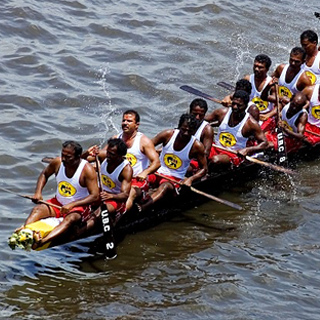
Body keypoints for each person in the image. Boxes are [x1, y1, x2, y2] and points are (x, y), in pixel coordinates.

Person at [22, 141, 100, 249]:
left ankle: (43, 241)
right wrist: (38, 193)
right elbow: (45, 174)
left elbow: (94, 196)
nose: (63, 159)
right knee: (37, 209)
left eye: (68, 157)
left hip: (79, 208)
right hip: (58, 203)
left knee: (71, 219)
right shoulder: (57, 162)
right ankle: (25, 233)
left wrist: (72, 205)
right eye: (62, 155)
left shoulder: (87, 170)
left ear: (78, 157)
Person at [139, 114, 207, 211]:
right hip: (157, 172)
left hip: (174, 179)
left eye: (189, 131)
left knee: (165, 187)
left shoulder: (197, 146)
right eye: (183, 129)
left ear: (194, 131)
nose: (186, 133)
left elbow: (204, 169)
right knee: (141, 178)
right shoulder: (167, 135)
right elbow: (146, 147)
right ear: (179, 127)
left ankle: (142, 208)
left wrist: (190, 179)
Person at [113, 110, 160, 211]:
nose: (125, 123)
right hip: (120, 178)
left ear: (136, 125)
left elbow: (156, 162)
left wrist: (145, 172)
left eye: (129, 121)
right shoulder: (116, 138)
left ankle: (119, 215)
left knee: (130, 194)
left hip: (137, 180)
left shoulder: (144, 141)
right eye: (123, 120)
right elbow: (103, 156)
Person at [208, 90, 268, 169]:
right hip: (216, 148)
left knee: (215, 160)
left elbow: (264, 143)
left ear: (246, 106)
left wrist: (247, 150)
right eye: (233, 104)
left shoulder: (250, 123)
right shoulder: (222, 113)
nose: (235, 107)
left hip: (233, 154)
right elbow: (202, 121)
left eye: (239, 105)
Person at [90, 138, 133, 223]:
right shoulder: (103, 156)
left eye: (112, 154)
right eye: (108, 152)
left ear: (121, 156)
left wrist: (111, 196)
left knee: (100, 213)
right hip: (100, 193)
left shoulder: (126, 170)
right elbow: (80, 160)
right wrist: (89, 152)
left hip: (115, 199)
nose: (108, 156)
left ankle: (82, 229)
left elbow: (125, 195)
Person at [244, 54, 275, 123]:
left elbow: (279, 104)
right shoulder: (248, 79)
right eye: (255, 66)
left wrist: (268, 115)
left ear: (267, 69)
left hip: (263, 116)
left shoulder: (271, 84)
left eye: (260, 67)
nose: (256, 69)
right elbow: (238, 95)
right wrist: (228, 98)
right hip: (248, 113)